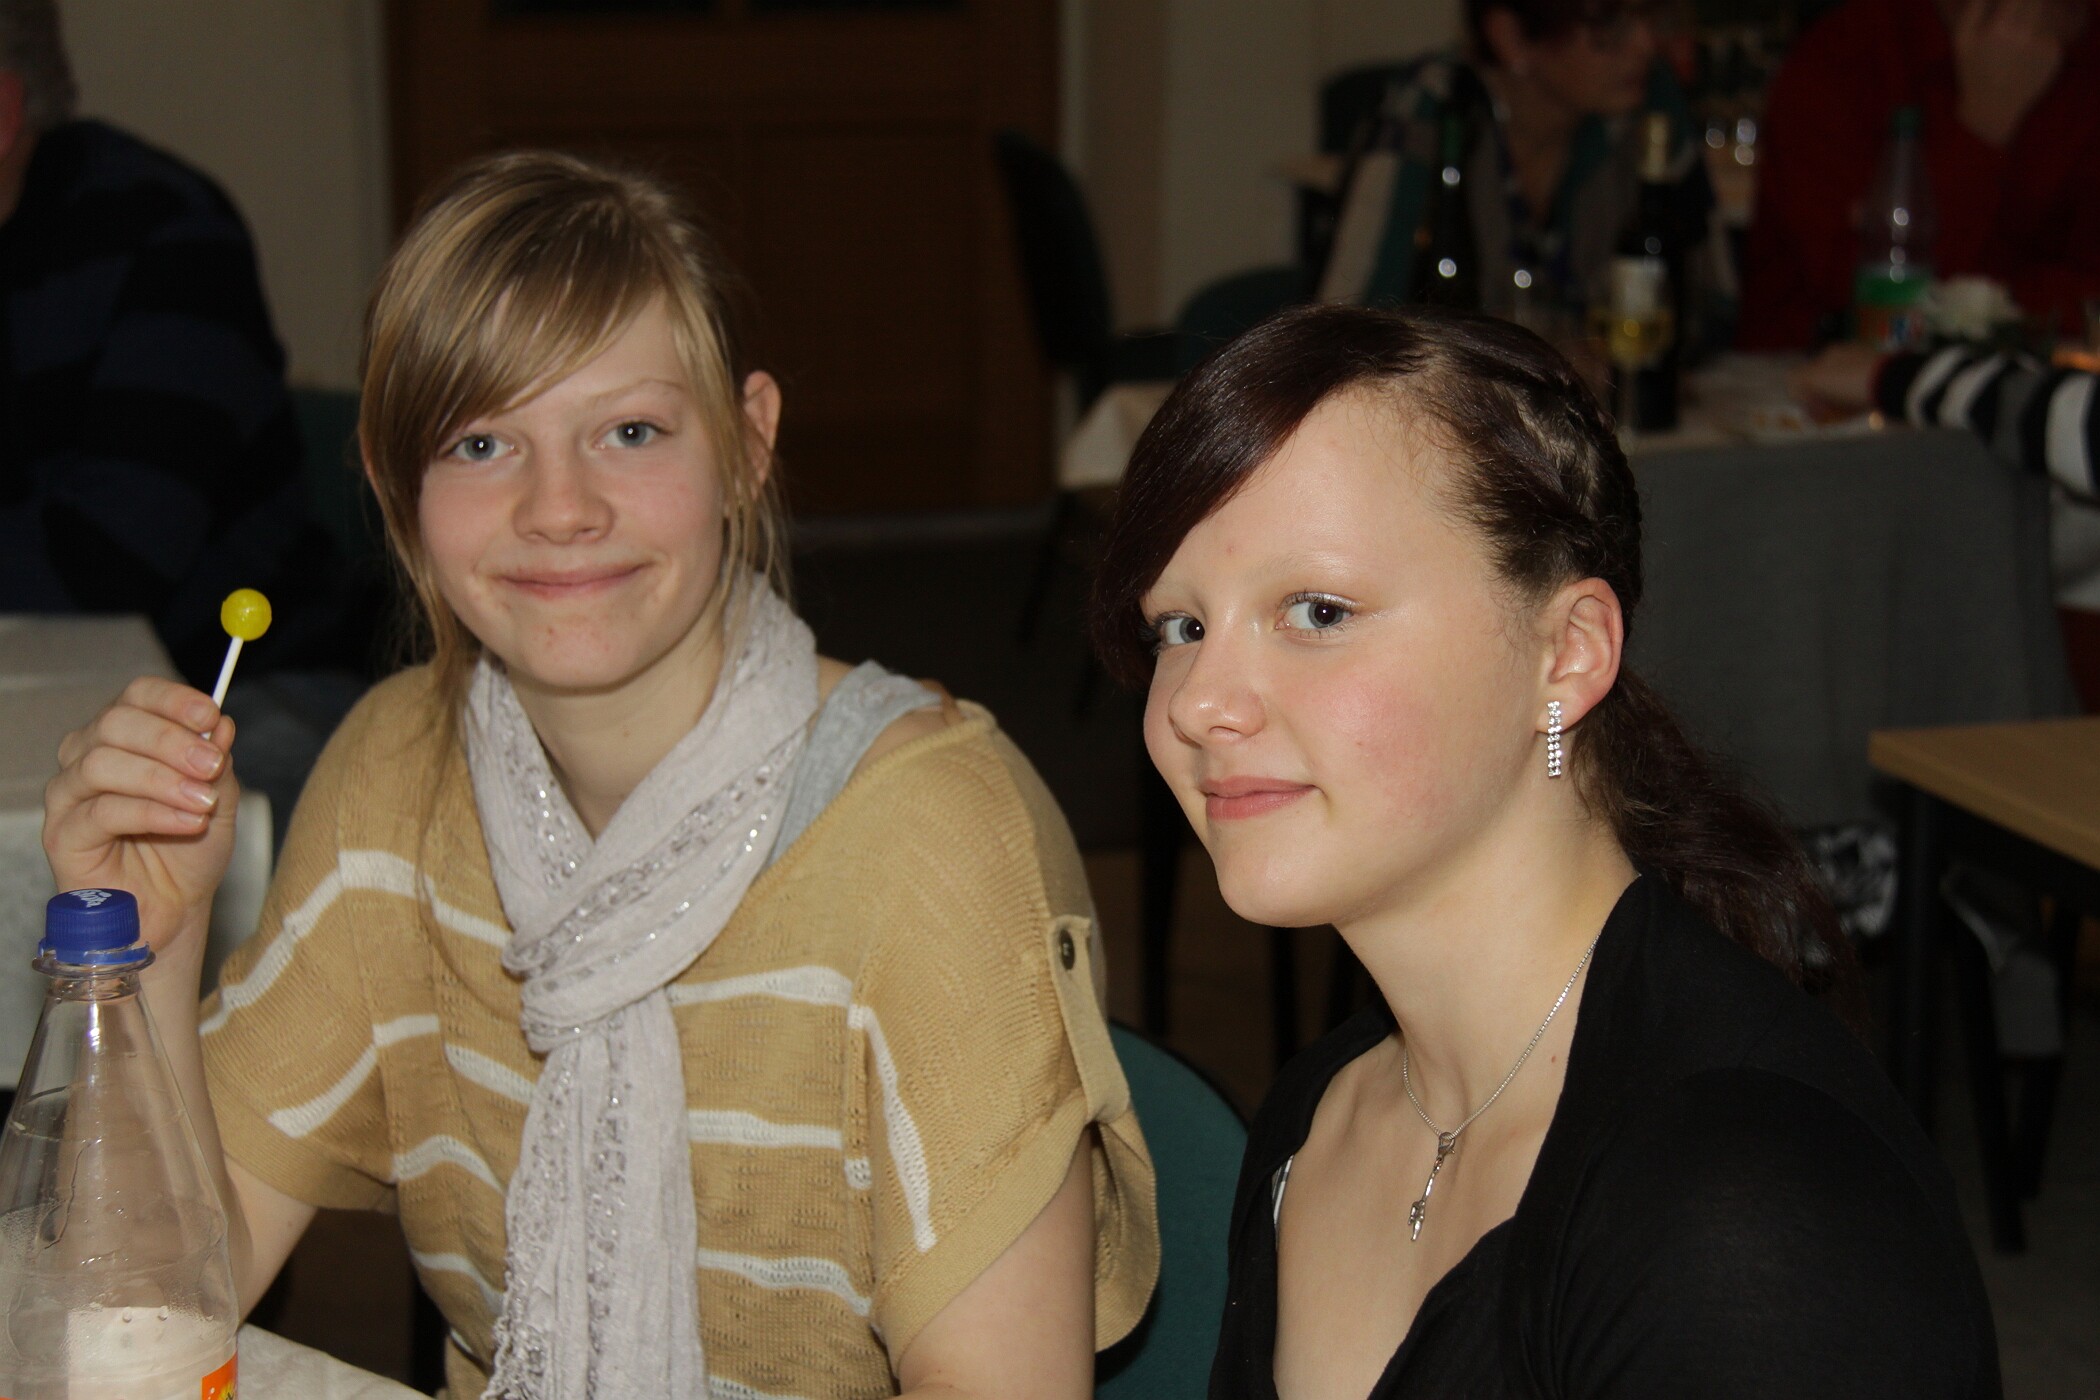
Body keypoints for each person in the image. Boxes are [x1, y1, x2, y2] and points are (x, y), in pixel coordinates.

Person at [42, 152, 1157, 1400]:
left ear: (747, 442)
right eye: (481, 441)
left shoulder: (935, 833)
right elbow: (148, 1304)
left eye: (630, 431)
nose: (559, 507)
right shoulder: (393, 780)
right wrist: (148, 948)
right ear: (397, 488)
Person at [1089, 304, 1999, 1397]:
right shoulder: (1321, 1110)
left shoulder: (1749, 1211)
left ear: (1566, 653)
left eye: (1317, 611)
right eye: (1180, 627)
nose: (1199, 704)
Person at [1316, 0, 1709, 326]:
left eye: (1647, 15)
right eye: (1609, 23)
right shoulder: (1436, 110)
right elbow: (1347, 326)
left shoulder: (1651, 105)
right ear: (1512, 37)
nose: (1645, 44)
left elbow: (1714, 298)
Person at [1739, 0, 2100, 349]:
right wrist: (1983, 126)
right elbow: (1872, 303)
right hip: (1815, 380)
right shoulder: (1850, 56)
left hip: (2052, 377)